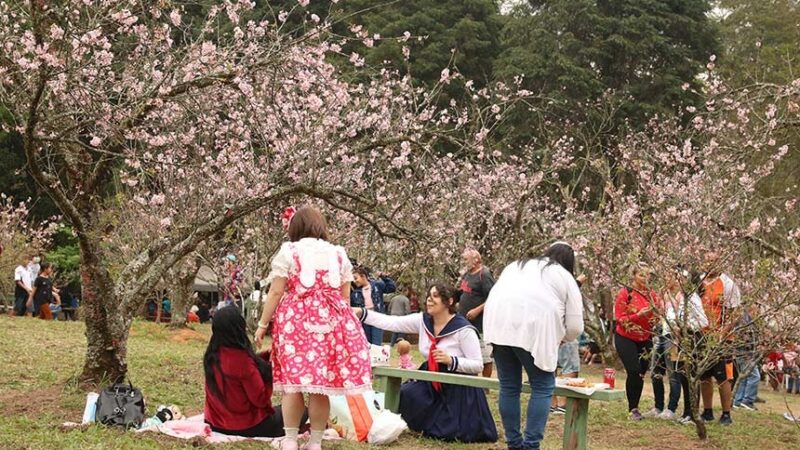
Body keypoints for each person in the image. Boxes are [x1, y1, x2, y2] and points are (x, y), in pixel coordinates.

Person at [254, 205, 371, 450]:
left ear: (295, 227)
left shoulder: (290, 251)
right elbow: (344, 297)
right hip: (331, 323)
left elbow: (276, 291)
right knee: (321, 387)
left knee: (293, 385)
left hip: (295, 322)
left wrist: (263, 324)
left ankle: (290, 440)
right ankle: (315, 442)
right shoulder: (339, 253)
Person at [354, 283, 498, 443]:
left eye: (435, 296)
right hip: (430, 378)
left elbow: (477, 365)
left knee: (452, 431)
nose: (429, 300)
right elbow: (392, 322)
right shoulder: (423, 321)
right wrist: (362, 313)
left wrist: (451, 360)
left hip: (458, 386)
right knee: (405, 395)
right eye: (429, 296)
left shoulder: (463, 330)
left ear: (449, 301)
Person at [483, 241, 583, 450]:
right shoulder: (565, 276)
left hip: (498, 323)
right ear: (570, 263)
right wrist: (562, 338)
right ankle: (530, 445)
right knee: (543, 385)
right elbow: (575, 326)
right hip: (534, 326)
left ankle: (514, 443)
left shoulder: (516, 265)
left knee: (509, 386)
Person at [204, 306, 306, 437]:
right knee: (302, 411)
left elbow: (236, 370)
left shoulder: (212, 355)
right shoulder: (242, 361)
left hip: (215, 423)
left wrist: (261, 358)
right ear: (239, 327)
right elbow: (261, 399)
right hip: (248, 426)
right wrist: (271, 373)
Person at [660, 270, 708, 423]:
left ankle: (693, 413)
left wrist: (684, 326)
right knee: (683, 375)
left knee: (691, 376)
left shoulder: (691, 297)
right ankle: (688, 411)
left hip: (691, 338)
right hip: (679, 339)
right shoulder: (677, 297)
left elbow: (703, 321)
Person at [698, 251, 741, 426]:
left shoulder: (728, 284)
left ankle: (726, 413)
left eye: (714, 261)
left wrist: (722, 334)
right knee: (704, 375)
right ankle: (707, 411)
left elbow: (735, 313)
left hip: (722, 337)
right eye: (707, 260)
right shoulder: (698, 281)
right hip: (701, 335)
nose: (710, 264)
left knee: (723, 376)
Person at [614, 262, 659, 421]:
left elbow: (657, 317)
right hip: (625, 336)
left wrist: (654, 317)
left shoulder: (652, 294)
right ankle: (632, 408)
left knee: (640, 373)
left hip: (645, 337)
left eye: (648, 275)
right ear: (633, 276)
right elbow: (620, 319)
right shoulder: (625, 293)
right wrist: (638, 315)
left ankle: (636, 407)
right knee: (633, 370)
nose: (645, 278)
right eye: (641, 275)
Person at [457, 248, 495, 378]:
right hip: (465, 323)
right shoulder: (467, 275)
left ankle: (485, 385)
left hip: (480, 325)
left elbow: (493, 297)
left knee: (485, 356)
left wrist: (477, 310)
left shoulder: (484, 275)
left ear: (476, 260)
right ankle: (471, 383)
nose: (464, 262)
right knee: (469, 354)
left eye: (466, 259)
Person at [350, 265, 396, 345]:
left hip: (377, 317)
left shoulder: (377, 285)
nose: (354, 281)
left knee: (376, 343)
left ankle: (376, 356)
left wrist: (383, 277)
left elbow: (391, 288)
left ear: (363, 276)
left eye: (356, 278)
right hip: (364, 319)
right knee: (367, 343)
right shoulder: (355, 292)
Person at [733, 306, 760, 410]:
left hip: (742, 353)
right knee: (755, 376)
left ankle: (738, 401)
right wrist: (748, 353)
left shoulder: (745, 319)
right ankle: (747, 400)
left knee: (744, 377)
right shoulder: (745, 321)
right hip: (745, 353)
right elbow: (745, 338)